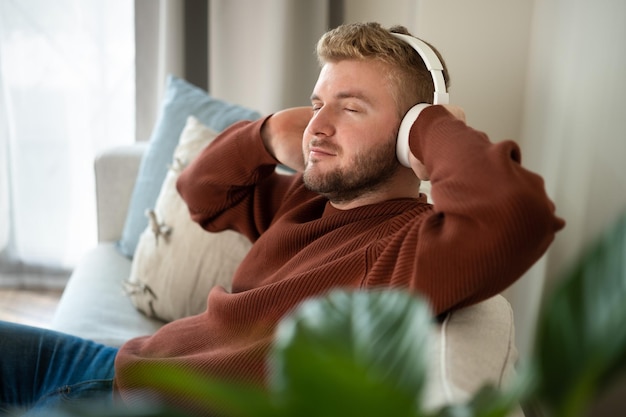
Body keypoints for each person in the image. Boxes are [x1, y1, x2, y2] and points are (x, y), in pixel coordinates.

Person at [0, 22, 564, 416]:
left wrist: (429, 126)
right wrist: (271, 132)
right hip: (118, 364)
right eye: (319, 102)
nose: (320, 126)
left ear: (406, 134)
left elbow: (519, 216)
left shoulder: (411, 249)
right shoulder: (306, 202)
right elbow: (200, 194)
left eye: (352, 107)